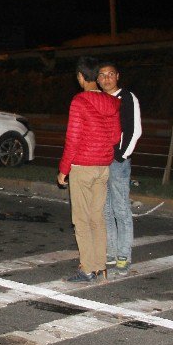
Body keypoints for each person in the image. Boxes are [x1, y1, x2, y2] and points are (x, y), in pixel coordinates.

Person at [56, 56, 121, 283]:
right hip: (103, 166)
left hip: (83, 166)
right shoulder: (112, 103)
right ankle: (100, 267)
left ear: (82, 77)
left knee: (81, 220)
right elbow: (115, 137)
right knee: (97, 218)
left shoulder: (79, 101)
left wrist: (64, 169)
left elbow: (72, 139)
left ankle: (87, 269)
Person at [97, 61, 142, 276]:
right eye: (102, 75)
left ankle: (124, 254)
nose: (106, 79)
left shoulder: (127, 98)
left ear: (117, 76)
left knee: (121, 209)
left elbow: (134, 130)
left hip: (118, 162)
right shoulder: (97, 98)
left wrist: (121, 155)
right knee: (105, 208)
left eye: (110, 74)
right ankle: (111, 250)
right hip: (100, 161)